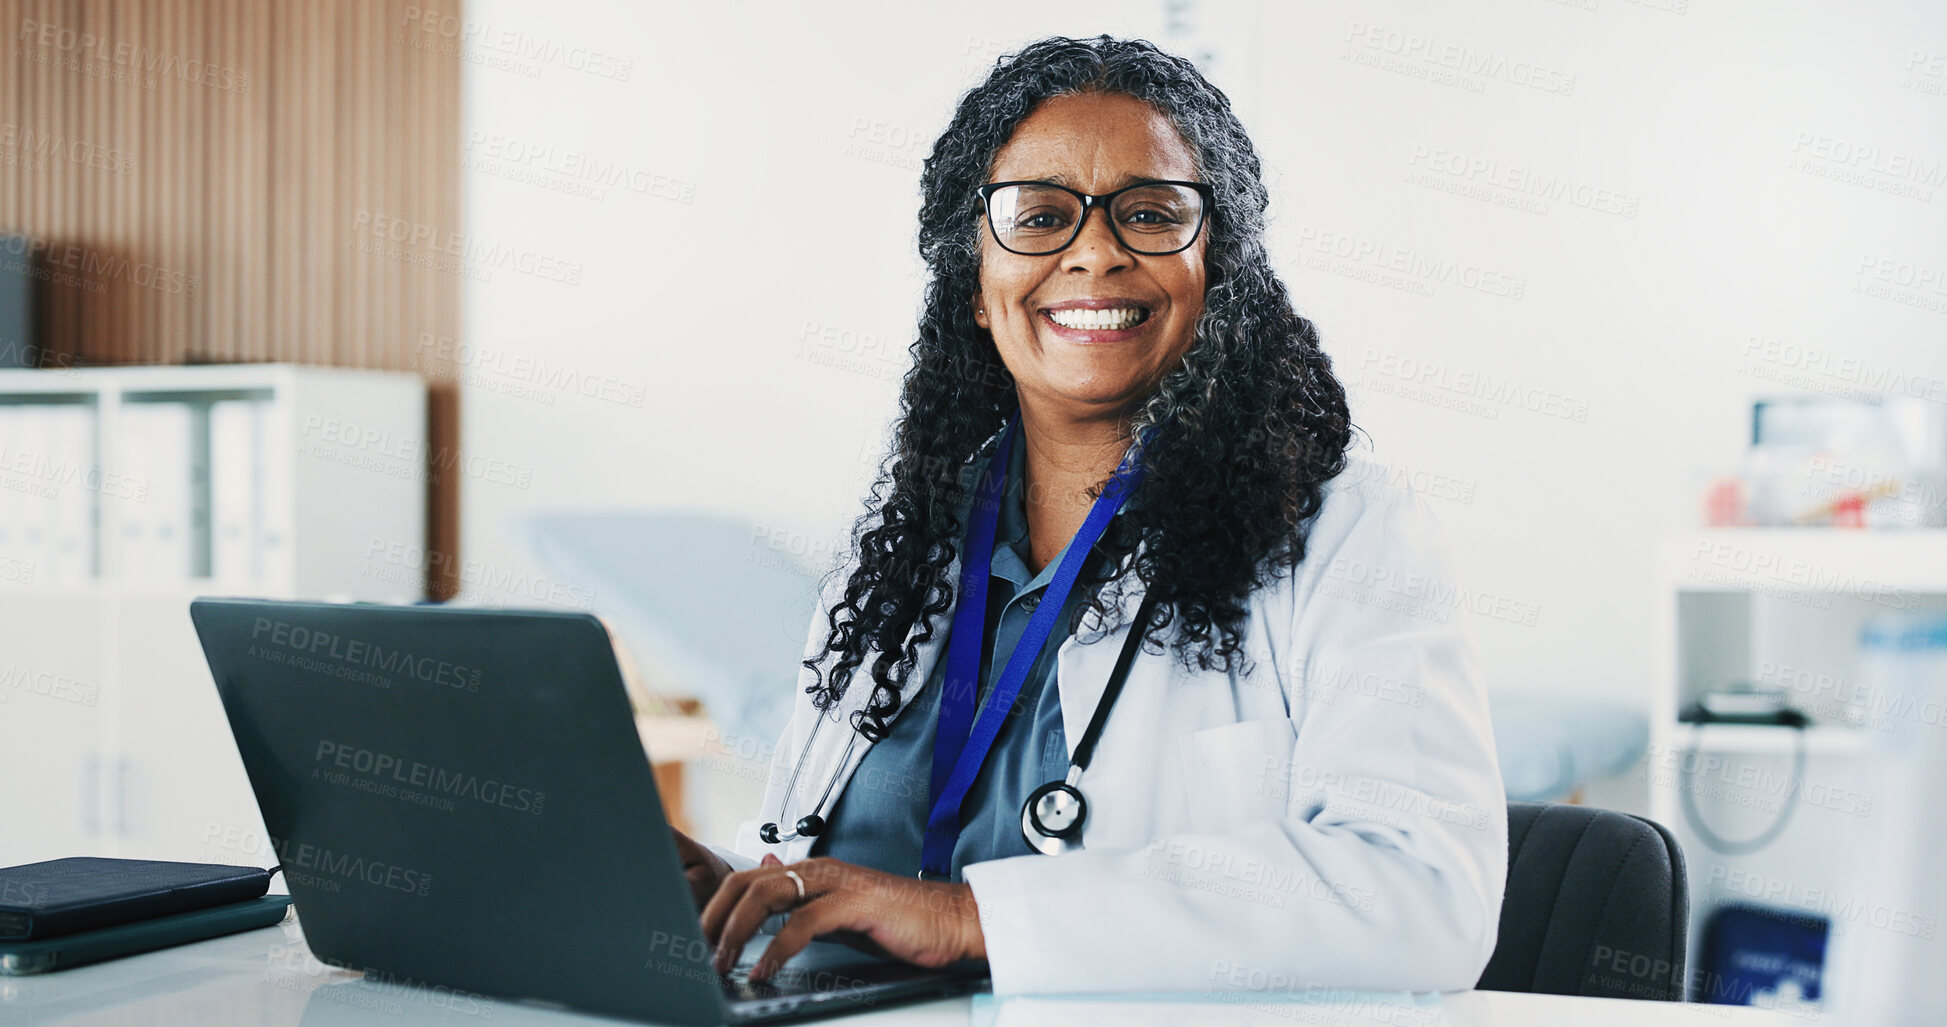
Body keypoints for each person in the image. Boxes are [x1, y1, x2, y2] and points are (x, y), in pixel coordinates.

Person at [671, 35, 1506, 995]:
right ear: (974, 286)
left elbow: (1422, 892)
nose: (1096, 252)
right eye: (1040, 216)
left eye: (1151, 215)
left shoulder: (1342, 530)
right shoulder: (904, 544)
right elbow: (857, 876)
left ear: (1216, 270)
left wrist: (969, 919)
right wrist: (739, 894)